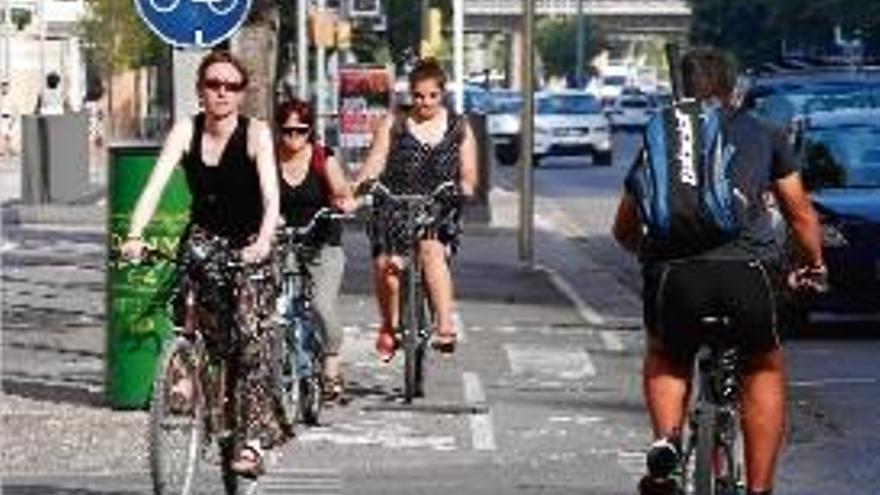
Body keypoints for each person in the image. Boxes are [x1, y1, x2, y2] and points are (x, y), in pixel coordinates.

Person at [611, 47, 825, 495]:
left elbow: (625, 227)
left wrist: (649, 255)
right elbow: (801, 214)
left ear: (681, 90)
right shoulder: (762, 131)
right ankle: (761, 488)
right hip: (748, 275)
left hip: (676, 279)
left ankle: (667, 449)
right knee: (763, 366)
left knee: (667, 355)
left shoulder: (665, 136)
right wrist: (813, 263)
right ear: (733, 89)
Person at [120, 51, 284, 478]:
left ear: (242, 93)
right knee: (186, 305)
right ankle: (186, 371)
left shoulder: (257, 134)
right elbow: (154, 187)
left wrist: (264, 241)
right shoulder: (186, 130)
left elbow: (271, 199)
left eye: (231, 86)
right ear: (200, 89)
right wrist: (135, 235)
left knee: (250, 336)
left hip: (250, 242)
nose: (222, 93)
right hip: (204, 238)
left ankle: (251, 440)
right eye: (214, 84)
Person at [352, 58, 478, 361]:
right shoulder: (395, 122)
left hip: (438, 203)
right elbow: (376, 161)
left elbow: (469, 173)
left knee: (431, 248)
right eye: (419, 96)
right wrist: (359, 189)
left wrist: (465, 188)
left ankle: (444, 326)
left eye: (432, 96)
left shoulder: (459, 126)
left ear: (442, 93)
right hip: (395, 202)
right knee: (385, 266)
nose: (425, 102)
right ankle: (388, 326)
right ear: (410, 94)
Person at [274, 97, 356, 402]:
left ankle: (331, 364)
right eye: (287, 130)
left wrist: (344, 202)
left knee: (322, 305)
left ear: (310, 132)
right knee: (274, 306)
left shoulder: (323, 157)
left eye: (301, 130)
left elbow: (341, 191)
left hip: (322, 241)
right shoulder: (268, 160)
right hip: (282, 242)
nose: (294, 137)